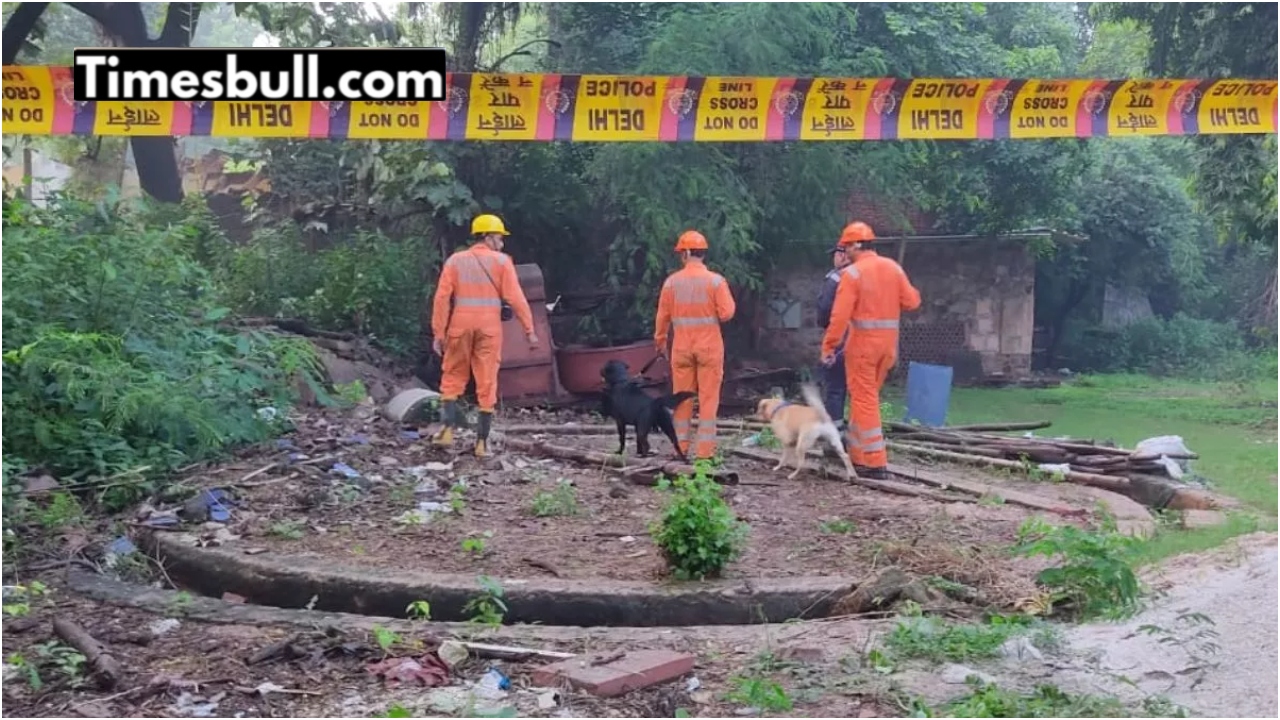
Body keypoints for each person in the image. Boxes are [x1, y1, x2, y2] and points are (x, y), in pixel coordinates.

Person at [430, 213, 538, 457]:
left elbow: (441, 298)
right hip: (489, 329)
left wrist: (439, 332)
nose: (502, 241)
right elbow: (516, 298)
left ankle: (446, 431)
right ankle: (481, 444)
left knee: (452, 376)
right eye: (500, 237)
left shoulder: (455, 261)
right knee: (486, 380)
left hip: (459, 325)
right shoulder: (502, 262)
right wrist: (529, 330)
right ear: (488, 237)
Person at [820, 221, 921, 479]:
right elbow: (912, 301)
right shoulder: (892, 268)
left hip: (862, 347)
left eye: (845, 247)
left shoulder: (852, 275)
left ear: (856, 245)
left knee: (864, 401)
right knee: (866, 400)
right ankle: (859, 455)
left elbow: (839, 317)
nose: (844, 253)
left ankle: (875, 463)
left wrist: (829, 346)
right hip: (887, 348)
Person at [654, 230, 736, 460]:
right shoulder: (716, 281)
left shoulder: (671, 283)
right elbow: (727, 313)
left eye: (681, 252)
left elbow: (662, 317)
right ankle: (704, 454)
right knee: (709, 400)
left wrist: (660, 342)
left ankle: (680, 448)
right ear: (703, 254)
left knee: (682, 400)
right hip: (709, 348)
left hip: (681, 349)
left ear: (687, 253)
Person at [816, 240, 853, 430]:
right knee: (859, 390)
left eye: (836, 254)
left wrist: (827, 333)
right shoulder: (864, 275)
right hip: (862, 340)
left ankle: (835, 435)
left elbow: (824, 310)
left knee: (835, 389)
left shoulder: (835, 279)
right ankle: (859, 434)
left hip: (839, 340)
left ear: (842, 254)